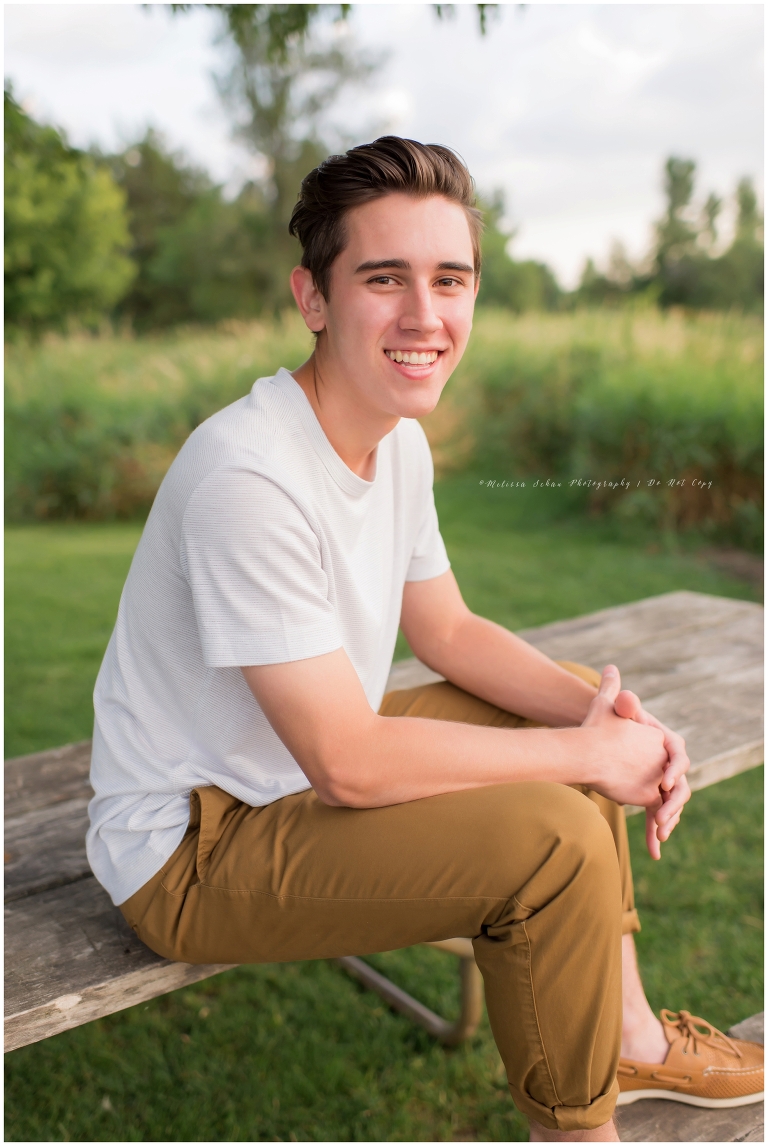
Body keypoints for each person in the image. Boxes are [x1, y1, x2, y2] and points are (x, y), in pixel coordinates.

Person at [86, 136, 763, 1141]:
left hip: (288, 774)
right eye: (384, 278)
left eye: (450, 279)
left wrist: (618, 723)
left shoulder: (396, 439)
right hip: (192, 845)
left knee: (571, 694)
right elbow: (350, 762)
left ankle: (630, 1042)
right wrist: (585, 756)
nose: (424, 315)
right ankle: (580, 1128)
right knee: (557, 840)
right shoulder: (249, 474)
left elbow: (447, 629)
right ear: (313, 299)